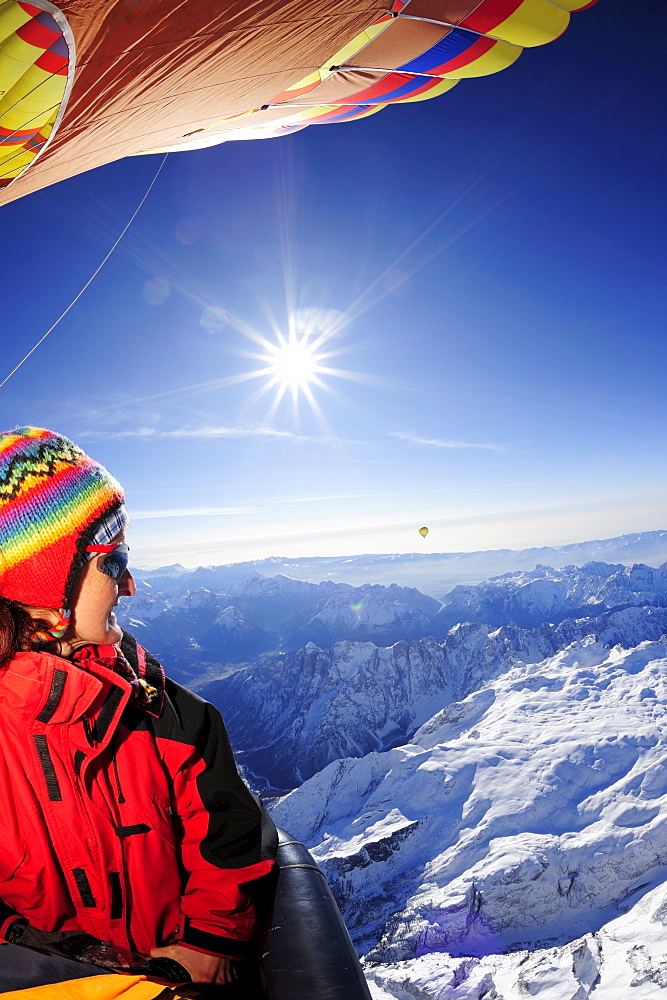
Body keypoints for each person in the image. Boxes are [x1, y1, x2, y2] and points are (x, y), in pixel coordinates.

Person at [0, 426, 277, 986]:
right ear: (43, 578)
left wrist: (210, 942)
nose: (130, 585)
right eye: (113, 559)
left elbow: (229, 830)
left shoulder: (169, 713)